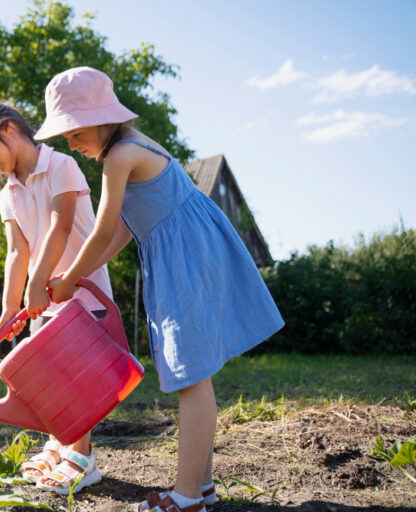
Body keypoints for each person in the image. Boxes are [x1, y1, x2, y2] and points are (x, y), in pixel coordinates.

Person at [38, 67, 284, 512]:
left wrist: (71, 277)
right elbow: (122, 233)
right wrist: (81, 277)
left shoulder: (121, 156)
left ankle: (188, 496)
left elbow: (102, 230)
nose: (70, 143)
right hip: (184, 254)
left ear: (99, 119)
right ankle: (201, 488)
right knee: (193, 373)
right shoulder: (134, 148)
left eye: (73, 132)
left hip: (185, 258)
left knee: (191, 377)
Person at [0, 100, 113, 495]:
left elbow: (60, 226)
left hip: (78, 293)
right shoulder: (8, 193)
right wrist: (11, 307)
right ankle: (58, 445)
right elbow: (15, 252)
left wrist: (37, 283)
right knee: (50, 382)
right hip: (40, 302)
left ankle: (82, 457)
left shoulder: (61, 166)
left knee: (77, 382)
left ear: (7, 129)